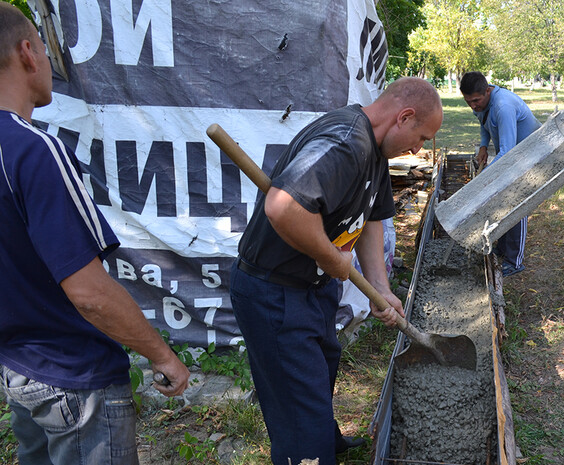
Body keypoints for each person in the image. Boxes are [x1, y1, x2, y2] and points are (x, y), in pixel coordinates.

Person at [0, 4, 190, 464]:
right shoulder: (34, 149)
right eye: (44, 48)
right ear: (28, 53)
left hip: (19, 368)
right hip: (74, 379)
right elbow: (88, 292)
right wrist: (163, 355)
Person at [229, 77, 442, 464]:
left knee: (321, 367)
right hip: (274, 291)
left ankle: (322, 439)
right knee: (298, 407)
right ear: (404, 116)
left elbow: (373, 216)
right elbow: (282, 208)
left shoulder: (375, 150)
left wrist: (378, 285)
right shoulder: (346, 143)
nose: (417, 148)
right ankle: (308, 450)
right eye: (421, 137)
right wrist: (332, 259)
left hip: (311, 286)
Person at [460, 71, 541, 277]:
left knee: (516, 203)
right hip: (513, 155)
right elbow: (483, 122)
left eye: (476, 100)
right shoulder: (481, 104)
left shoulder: (502, 106)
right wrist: (483, 146)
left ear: (488, 91)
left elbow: (507, 151)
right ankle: (503, 248)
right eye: (468, 102)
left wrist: (485, 178)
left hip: (530, 154)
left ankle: (515, 261)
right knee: (502, 202)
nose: (473, 106)